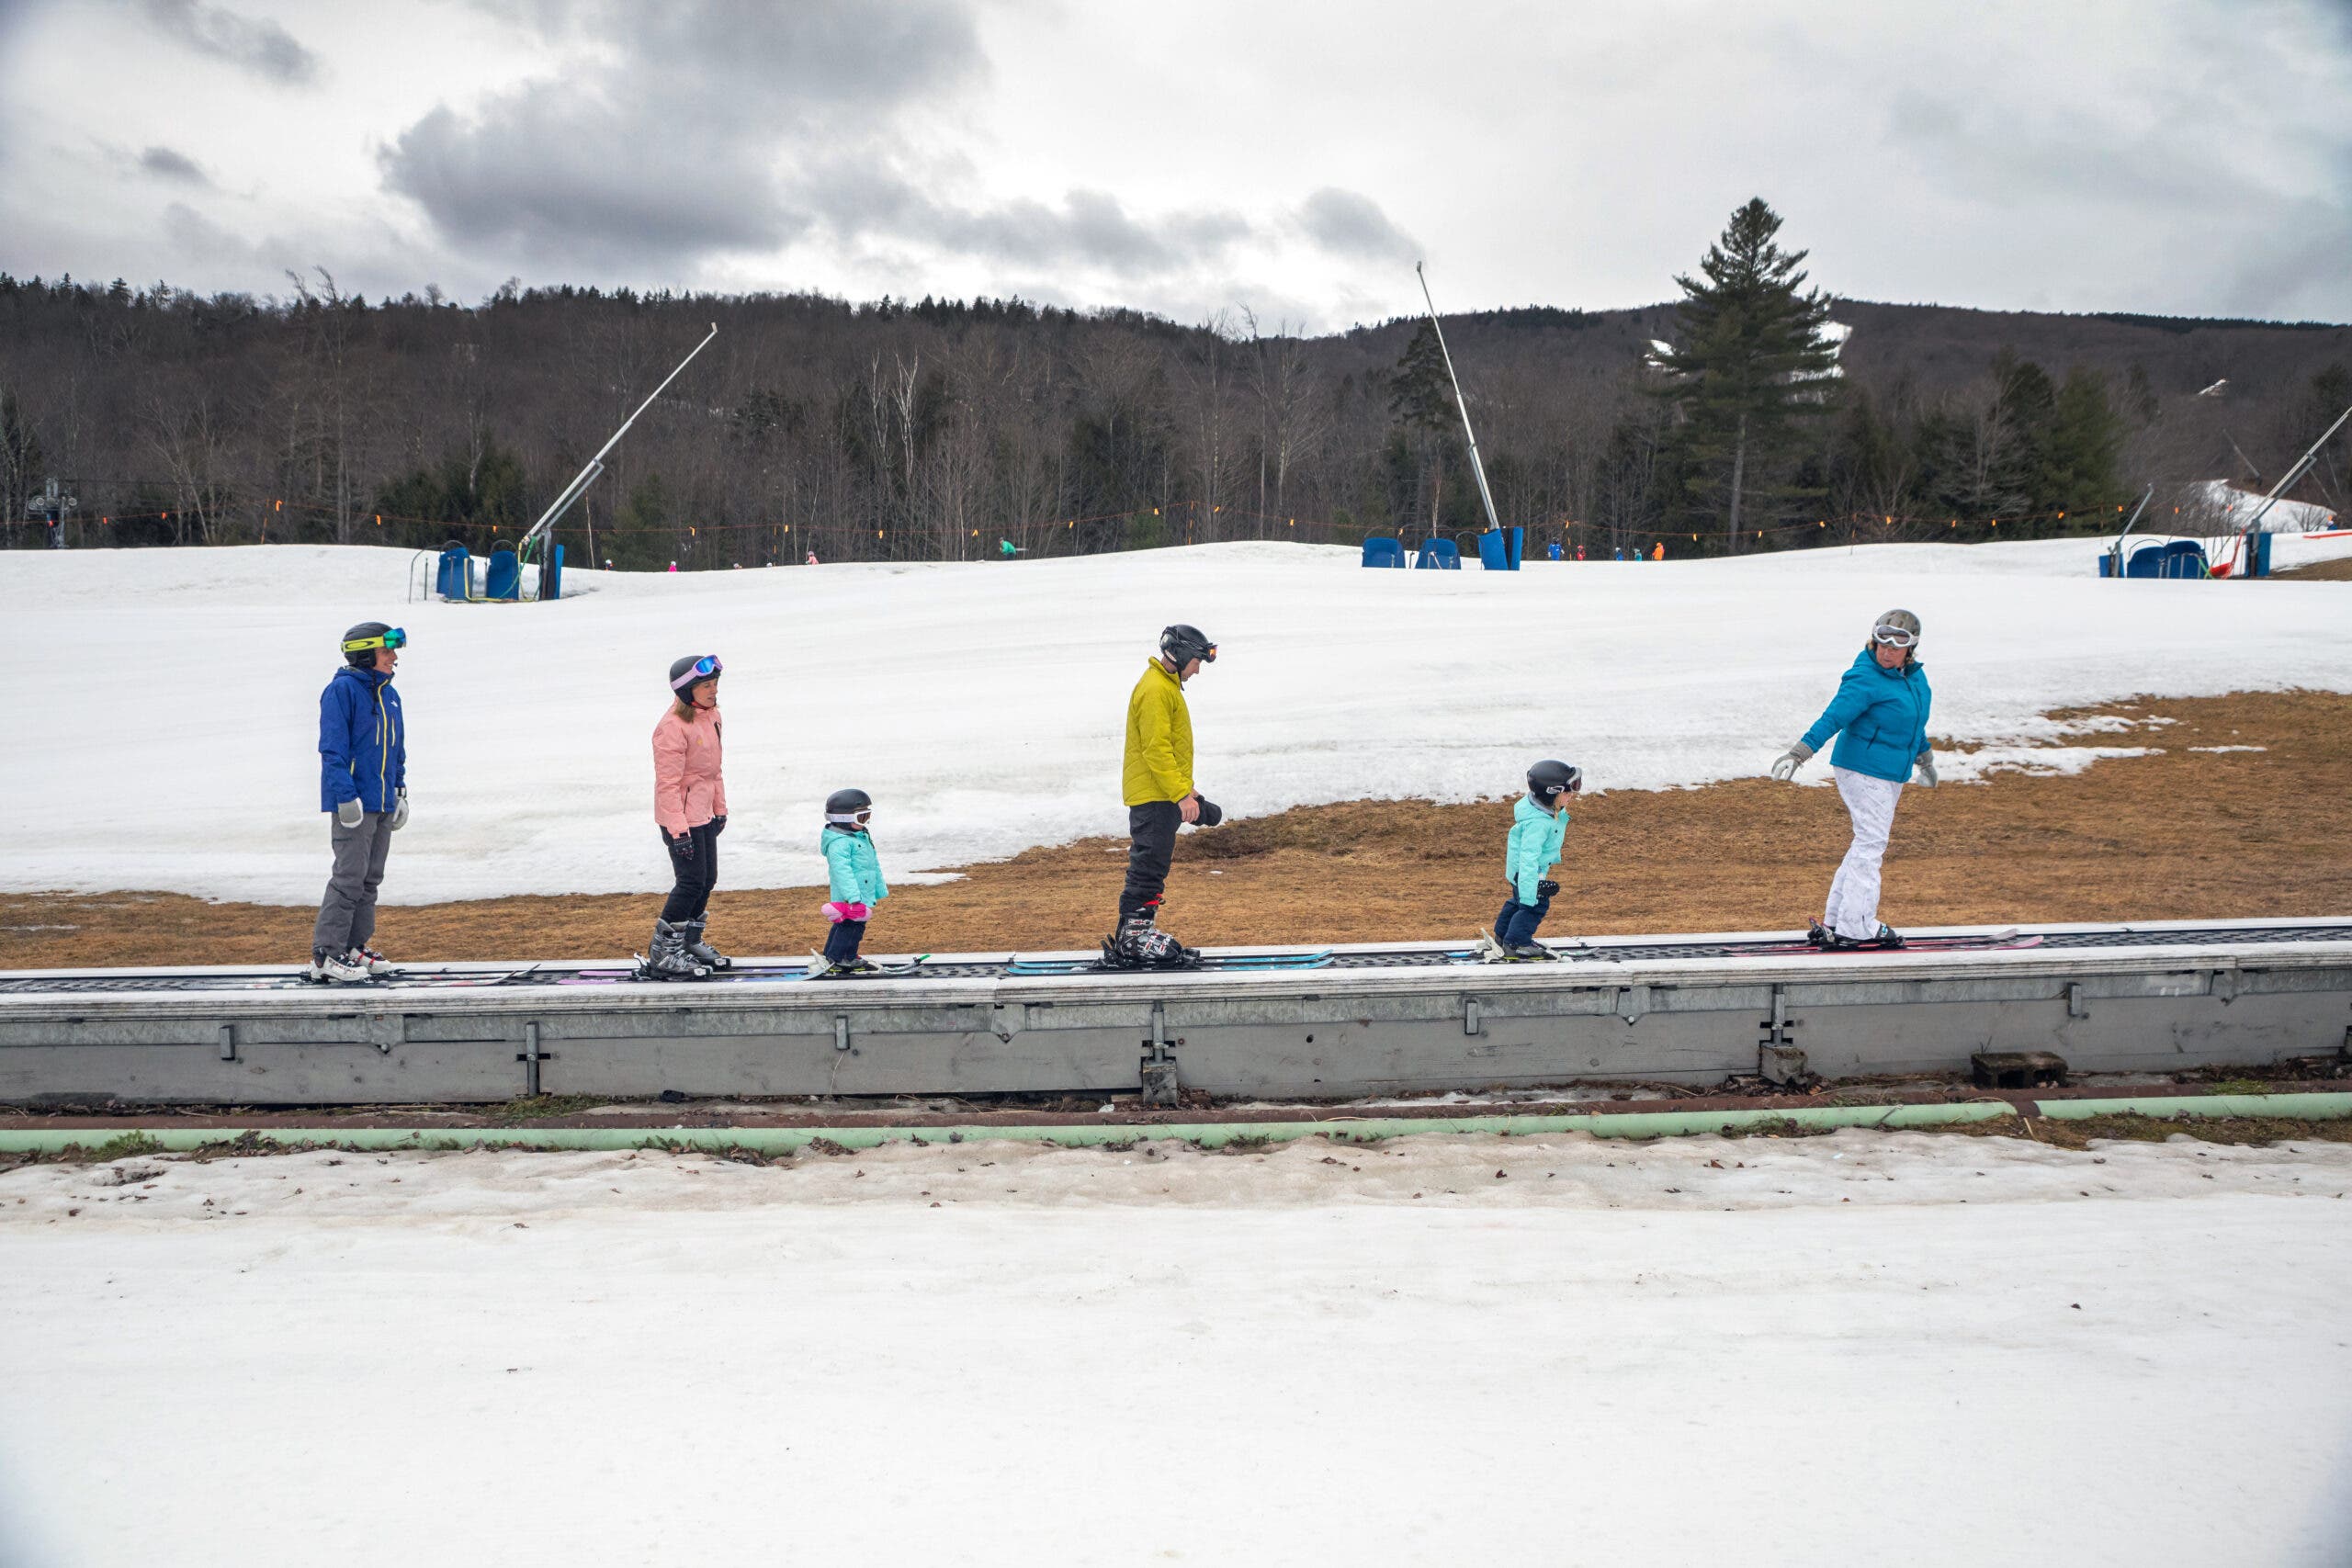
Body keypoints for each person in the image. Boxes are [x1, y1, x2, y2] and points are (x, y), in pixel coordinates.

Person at [1770, 609, 1937, 949]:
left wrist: (1926, 761)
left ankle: (1836, 920)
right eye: (1882, 644)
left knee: (1865, 842)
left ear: (1910, 648)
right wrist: (1799, 754)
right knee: (1872, 843)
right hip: (1862, 768)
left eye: (1896, 646)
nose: (1887, 652)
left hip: (1890, 773)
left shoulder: (1914, 680)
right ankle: (1857, 925)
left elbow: (1913, 725)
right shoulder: (1865, 678)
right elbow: (1833, 717)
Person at [1105, 624, 1223, 968]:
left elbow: (1168, 748)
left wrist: (1189, 792)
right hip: (1154, 795)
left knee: (1154, 864)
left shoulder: (1164, 686)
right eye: (1197, 662)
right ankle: (1133, 937)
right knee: (1148, 864)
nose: (1197, 670)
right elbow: (1155, 751)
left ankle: (1139, 931)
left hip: (1162, 793)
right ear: (1182, 655)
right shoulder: (1156, 689)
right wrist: (1180, 795)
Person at [311, 622, 409, 982]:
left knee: (370, 879)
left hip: (381, 800)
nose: (393, 657)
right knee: (349, 878)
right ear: (366, 654)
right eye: (386, 651)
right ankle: (326, 956)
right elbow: (332, 749)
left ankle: (353, 948)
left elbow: (396, 749)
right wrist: (344, 796)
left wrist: (399, 790)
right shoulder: (342, 691)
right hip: (353, 802)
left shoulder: (389, 694)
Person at [640, 655, 729, 980]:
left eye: (714, 683)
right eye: (705, 685)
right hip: (679, 819)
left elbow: (713, 772)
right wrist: (678, 832)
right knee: (690, 882)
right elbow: (667, 785)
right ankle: (663, 953)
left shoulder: (712, 716)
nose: (713, 690)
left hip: (703, 813)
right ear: (686, 690)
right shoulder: (671, 727)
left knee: (707, 879)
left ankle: (688, 943)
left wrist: (720, 809)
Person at [1491, 761, 1580, 961]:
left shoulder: (1542, 811)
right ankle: (1517, 943)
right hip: (1527, 872)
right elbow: (1528, 856)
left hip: (1523, 870)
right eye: (1568, 790)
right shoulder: (1538, 823)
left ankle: (1502, 936)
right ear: (1551, 793)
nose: (1572, 794)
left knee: (1518, 902)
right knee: (1534, 905)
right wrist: (1532, 887)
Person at [814, 789, 888, 976]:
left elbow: (872, 865)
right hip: (850, 895)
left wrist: (879, 888)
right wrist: (853, 896)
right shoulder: (840, 843)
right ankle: (841, 958)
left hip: (861, 892)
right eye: (861, 817)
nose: (866, 822)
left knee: (849, 925)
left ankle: (837, 956)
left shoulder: (859, 837)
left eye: (867, 816)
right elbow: (842, 872)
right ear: (843, 819)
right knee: (850, 927)